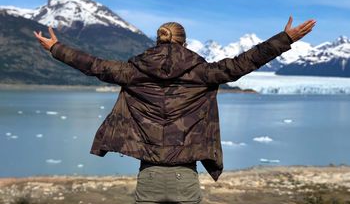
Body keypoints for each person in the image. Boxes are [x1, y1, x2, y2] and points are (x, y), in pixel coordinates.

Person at [33, 17, 316, 203]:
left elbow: (93, 65)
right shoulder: (203, 72)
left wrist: (56, 48)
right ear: (184, 42)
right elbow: (244, 62)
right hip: (185, 177)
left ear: (158, 41)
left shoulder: (132, 71)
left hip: (149, 176)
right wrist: (285, 39)